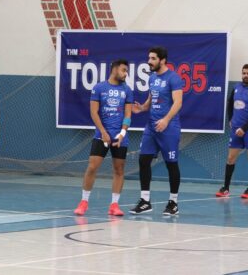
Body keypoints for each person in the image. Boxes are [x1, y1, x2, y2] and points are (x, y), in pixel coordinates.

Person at [74, 59, 133, 216]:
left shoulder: (127, 90)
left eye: (126, 71)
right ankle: (84, 202)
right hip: (102, 135)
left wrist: (122, 134)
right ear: (114, 69)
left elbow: (128, 115)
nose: (125, 73)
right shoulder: (99, 88)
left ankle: (114, 205)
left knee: (119, 170)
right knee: (92, 167)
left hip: (120, 137)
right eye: (123, 70)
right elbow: (94, 112)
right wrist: (103, 132)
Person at [129, 46, 183, 216]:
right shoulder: (152, 78)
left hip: (169, 128)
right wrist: (143, 107)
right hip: (151, 127)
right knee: (144, 160)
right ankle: (145, 201)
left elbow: (178, 102)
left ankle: (173, 202)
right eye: (149, 58)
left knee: (171, 164)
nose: (149, 61)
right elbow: (153, 97)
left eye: (152, 58)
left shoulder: (174, 78)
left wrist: (166, 120)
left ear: (162, 60)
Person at [216, 64, 248, 199]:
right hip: (236, 129)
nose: (246, 75)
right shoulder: (236, 88)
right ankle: (225, 188)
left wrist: (244, 128)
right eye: (244, 73)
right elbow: (230, 104)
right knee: (230, 158)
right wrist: (231, 119)